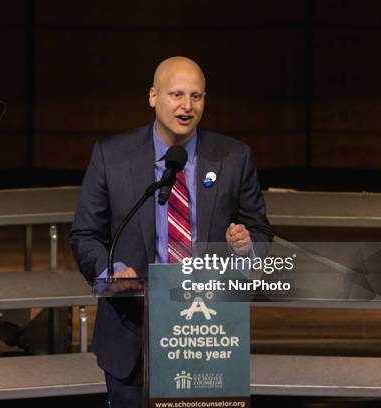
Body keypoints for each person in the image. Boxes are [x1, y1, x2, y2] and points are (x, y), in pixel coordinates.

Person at [70, 56, 273, 407]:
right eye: (176, 94)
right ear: (152, 96)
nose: (187, 106)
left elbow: (260, 232)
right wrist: (112, 273)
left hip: (208, 335)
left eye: (197, 96)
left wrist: (246, 248)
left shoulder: (233, 157)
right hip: (133, 330)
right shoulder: (111, 156)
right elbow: (85, 234)